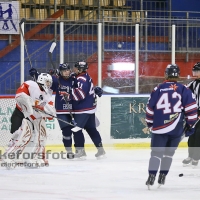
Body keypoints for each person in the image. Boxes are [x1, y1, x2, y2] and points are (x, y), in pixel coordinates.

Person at [145, 64, 197, 188]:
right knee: (168, 154)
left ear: (165, 74)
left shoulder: (158, 89)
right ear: (178, 75)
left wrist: (150, 123)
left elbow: (149, 109)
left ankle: (152, 175)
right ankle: (163, 176)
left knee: (156, 154)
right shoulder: (184, 89)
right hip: (176, 129)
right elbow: (191, 108)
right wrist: (190, 125)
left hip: (159, 129)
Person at [3, 73, 55, 168]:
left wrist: (44, 109)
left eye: (50, 83)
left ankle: (31, 157)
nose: (48, 85)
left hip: (34, 118)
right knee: (22, 135)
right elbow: (19, 95)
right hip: (21, 114)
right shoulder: (31, 84)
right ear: (41, 80)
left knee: (40, 137)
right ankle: (9, 156)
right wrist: (29, 103)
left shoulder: (47, 96)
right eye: (47, 82)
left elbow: (52, 114)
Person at [69, 60, 106, 159]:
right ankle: (101, 151)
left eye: (76, 67)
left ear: (80, 69)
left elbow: (79, 95)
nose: (74, 69)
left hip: (83, 109)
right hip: (89, 108)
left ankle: (80, 152)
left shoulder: (81, 79)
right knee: (91, 129)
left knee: (76, 130)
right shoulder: (84, 76)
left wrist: (68, 91)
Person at [50, 63, 85, 159]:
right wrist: (51, 76)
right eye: (63, 71)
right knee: (66, 131)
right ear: (60, 72)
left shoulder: (74, 79)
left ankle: (80, 150)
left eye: (67, 70)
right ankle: (69, 151)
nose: (66, 72)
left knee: (77, 130)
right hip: (61, 110)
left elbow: (84, 86)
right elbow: (47, 85)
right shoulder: (57, 80)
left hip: (74, 110)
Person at [182, 62, 200, 167]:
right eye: (195, 71)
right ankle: (190, 155)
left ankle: (196, 157)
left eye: (197, 71)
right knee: (192, 134)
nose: (195, 73)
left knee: (198, 134)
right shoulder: (193, 84)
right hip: (194, 113)